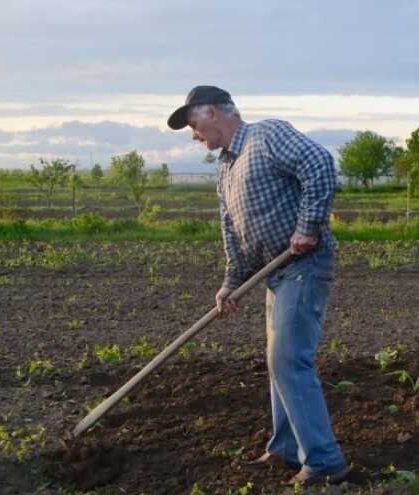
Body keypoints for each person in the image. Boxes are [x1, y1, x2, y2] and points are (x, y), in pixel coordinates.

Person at [168, 86, 348, 486]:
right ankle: (284, 449)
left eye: (194, 125)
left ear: (213, 112)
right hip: (274, 272)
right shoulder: (226, 169)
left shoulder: (266, 136)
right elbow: (233, 234)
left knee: (288, 359)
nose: (194, 135)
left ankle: (324, 461)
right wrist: (231, 284)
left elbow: (318, 163)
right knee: (277, 363)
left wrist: (307, 226)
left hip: (304, 264)